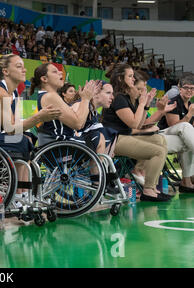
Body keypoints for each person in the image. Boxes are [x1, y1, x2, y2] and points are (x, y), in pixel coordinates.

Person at [0, 54, 61, 203]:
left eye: (23, 66)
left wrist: (34, 122)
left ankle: (23, 193)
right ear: (6, 71)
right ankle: (18, 195)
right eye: (19, 66)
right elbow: (11, 130)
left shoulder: (13, 93)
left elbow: (15, 126)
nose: (24, 69)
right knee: (20, 140)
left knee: (27, 138)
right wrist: (38, 117)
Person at [101, 64, 171, 202]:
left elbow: (139, 123)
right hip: (115, 140)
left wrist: (145, 105)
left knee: (160, 140)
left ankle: (151, 186)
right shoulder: (119, 98)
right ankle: (148, 189)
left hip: (124, 136)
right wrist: (141, 104)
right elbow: (133, 124)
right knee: (158, 151)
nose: (133, 79)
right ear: (121, 78)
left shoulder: (126, 97)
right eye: (130, 76)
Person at [29, 62, 99, 147]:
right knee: (99, 138)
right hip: (61, 145)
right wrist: (86, 99)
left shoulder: (47, 95)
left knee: (99, 136)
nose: (61, 72)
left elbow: (79, 122)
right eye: (55, 72)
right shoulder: (50, 96)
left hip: (60, 143)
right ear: (44, 79)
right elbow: (78, 124)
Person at [157, 74, 194, 193]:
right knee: (185, 126)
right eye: (186, 87)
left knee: (187, 142)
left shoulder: (191, 105)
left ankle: (186, 182)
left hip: (178, 139)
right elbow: (174, 125)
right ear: (180, 89)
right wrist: (189, 115)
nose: (189, 90)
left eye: (192, 88)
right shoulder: (174, 102)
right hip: (164, 133)